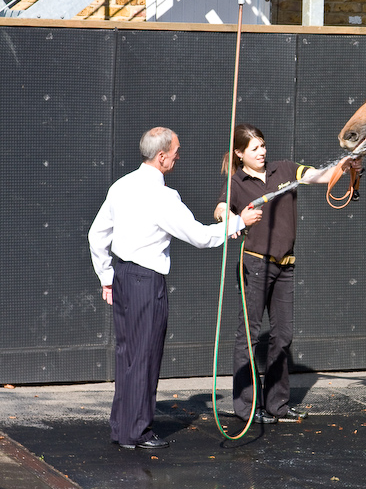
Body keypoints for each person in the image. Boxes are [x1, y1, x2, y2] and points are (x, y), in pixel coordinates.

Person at [88, 126, 261, 449]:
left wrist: (107, 276)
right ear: (162, 156)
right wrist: (239, 223)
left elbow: (97, 235)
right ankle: (136, 432)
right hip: (145, 282)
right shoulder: (163, 197)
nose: (180, 155)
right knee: (145, 357)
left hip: (124, 278)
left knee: (128, 356)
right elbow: (198, 236)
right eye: (176, 151)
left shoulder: (121, 186)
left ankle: (122, 428)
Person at [214, 123, 360, 424]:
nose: (263, 152)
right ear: (240, 154)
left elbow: (318, 176)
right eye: (255, 148)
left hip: (285, 265)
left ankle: (277, 405)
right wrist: (233, 218)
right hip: (254, 266)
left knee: (283, 336)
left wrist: (346, 165)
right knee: (249, 337)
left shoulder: (284, 170)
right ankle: (246, 409)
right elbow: (220, 210)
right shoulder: (236, 182)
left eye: (263, 145)